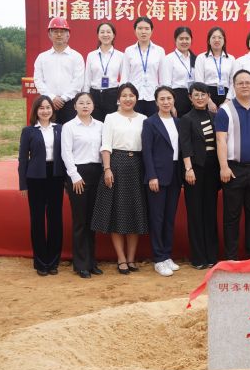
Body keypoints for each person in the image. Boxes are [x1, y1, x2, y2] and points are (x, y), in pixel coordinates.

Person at [91, 83, 149, 274]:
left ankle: (131, 258)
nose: (128, 99)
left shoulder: (143, 119)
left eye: (131, 95)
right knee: (117, 213)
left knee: (135, 213)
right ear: (118, 98)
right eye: (124, 95)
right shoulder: (111, 118)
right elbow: (106, 145)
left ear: (136, 98)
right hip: (116, 165)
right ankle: (121, 258)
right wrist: (107, 169)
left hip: (138, 166)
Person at [216, 69, 250, 260]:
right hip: (233, 170)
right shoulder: (225, 110)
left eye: (248, 82)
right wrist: (224, 167)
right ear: (234, 86)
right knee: (232, 216)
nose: (244, 86)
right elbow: (221, 140)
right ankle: (231, 257)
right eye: (240, 83)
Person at [17, 95, 65, 276]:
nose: (45, 111)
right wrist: (23, 184)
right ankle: (40, 262)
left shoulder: (60, 129)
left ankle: (53, 262)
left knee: (55, 219)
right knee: (37, 220)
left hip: (56, 176)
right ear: (36, 111)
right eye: (41, 108)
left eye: (48, 107)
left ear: (53, 110)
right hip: (35, 177)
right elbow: (23, 159)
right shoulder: (28, 131)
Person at [61, 92, 103, 278]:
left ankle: (91, 261)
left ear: (93, 106)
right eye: (81, 103)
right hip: (78, 174)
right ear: (75, 106)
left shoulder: (100, 126)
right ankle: (80, 264)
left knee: (92, 220)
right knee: (80, 220)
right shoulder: (69, 127)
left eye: (88, 103)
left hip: (96, 173)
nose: (85, 106)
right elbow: (66, 153)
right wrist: (74, 176)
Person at [142, 87, 182, 277]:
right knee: (157, 218)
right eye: (162, 99)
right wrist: (151, 175)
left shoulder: (178, 122)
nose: (166, 102)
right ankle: (158, 258)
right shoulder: (150, 123)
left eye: (169, 98)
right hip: (157, 175)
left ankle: (167, 255)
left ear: (173, 100)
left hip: (175, 174)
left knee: (169, 217)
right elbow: (147, 151)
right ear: (156, 101)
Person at [179, 83, 220, 269]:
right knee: (195, 214)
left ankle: (211, 255)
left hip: (212, 170)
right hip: (194, 170)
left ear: (208, 96)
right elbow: (185, 145)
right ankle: (198, 258)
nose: (200, 98)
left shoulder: (214, 116)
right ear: (190, 97)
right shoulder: (186, 119)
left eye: (203, 94)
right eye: (196, 95)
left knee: (210, 212)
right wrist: (188, 169)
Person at [33, 17, 84, 124]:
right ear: (49, 35)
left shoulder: (76, 57)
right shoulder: (42, 57)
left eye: (63, 31)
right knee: (49, 133)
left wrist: (64, 98)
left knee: (70, 133)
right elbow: (38, 80)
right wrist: (52, 98)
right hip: (48, 104)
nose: (59, 35)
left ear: (68, 35)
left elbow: (78, 82)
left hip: (70, 104)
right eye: (55, 31)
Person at [121, 17, 165, 116]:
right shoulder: (129, 51)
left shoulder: (159, 51)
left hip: (153, 96)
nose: (143, 32)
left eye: (146, 28)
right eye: (140, 28)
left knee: (152, 124)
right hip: (133, 97)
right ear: (135, 31)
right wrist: (121, 100)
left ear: (151, 31)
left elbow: (163, 77)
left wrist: (163, 98)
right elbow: (124, 76)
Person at [83, 22, 123, 122]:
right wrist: (86, 99)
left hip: (112, 95)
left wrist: (120, 101)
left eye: (108, 32)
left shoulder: (121, 56)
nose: (105, 35)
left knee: (112, 125)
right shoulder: (91, 55)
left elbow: (123, 80)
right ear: (98, 35)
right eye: (102, 32)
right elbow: (87, 78)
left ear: (113, 35)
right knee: (95, 125)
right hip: (94, 95)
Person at [194, 26, 236, 110]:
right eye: (213, 37)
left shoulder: (231, 59)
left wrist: (227, 100)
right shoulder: (201, 58)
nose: (217, 40)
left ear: (224, 41)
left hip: (226, 96)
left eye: (220, 37)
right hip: (206, 95)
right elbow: (199, 81)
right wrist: (208, 101)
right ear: (208, 41)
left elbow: (233, 82)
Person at [160, 26, 196, 118]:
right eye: (181, 39)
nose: (184, 41)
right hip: (177, 97)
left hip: (193, 98)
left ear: (191, 40)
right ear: (175, 40)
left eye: (187, 39)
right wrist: (171, 105)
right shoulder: (169, 59)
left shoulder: (196, 58)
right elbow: (166, 84)